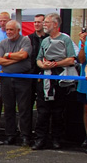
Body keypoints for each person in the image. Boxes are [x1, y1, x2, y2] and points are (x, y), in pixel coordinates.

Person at [32, 14, 77, 150]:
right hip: (46, 79)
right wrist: (43, 65)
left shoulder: (65, 39)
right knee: (42, 111)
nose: (44, 24)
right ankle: (40, 139)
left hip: (60, 79)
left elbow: (71, 59)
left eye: (47, 22)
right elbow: (39, 59)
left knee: (58, 111)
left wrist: (56, 64)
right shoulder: (45, 41)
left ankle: (56, 138)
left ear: (56, 24)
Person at [0, 20, 34, 145]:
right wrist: (14, 58)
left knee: (24, 108)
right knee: (9, 108)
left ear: (18, 30)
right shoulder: (2, 43)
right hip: (6, 79)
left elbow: (24, 56)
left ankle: (25, 135)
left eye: (11, 29)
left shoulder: (25, 40)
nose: (9, 32)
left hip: (23, 78)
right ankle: (10, 134)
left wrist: (8, 55)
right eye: (7, 29)